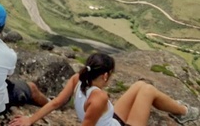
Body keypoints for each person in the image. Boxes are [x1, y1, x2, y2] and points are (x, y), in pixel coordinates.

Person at [10, 52, 200, 126]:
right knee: (147, 91)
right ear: (106, 75)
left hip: (110, 120)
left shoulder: (77, 79)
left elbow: (57, 102)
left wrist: (30, 119)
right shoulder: (99, 97)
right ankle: (185, 112)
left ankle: (182, 112)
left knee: (141, 85)